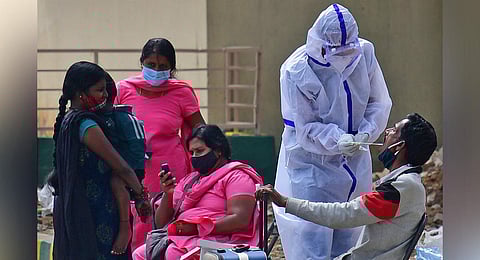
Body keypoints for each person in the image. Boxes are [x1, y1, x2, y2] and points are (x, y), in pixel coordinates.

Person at [274, 3, 392, 259]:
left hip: (354, 163)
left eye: (349, 51)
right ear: (321, 45)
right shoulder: (296, 70)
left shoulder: (365, 53)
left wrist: (365, 133)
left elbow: (379, 102)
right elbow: (304, 128)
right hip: (312, 167)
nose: (345, 57)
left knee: (351, 237)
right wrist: (337, 139)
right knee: (313, 239)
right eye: (337, 52)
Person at [260, 113, 437, 260]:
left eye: (394, 131)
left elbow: (343, 215)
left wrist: (286, 202)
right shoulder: (408, 184)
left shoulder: (398, 190)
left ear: (399, 146)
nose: (387, 132)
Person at [48, 61, 147, 259]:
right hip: (96, 211)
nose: (104, 95)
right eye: (99, 90)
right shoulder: (86, 125)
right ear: (80, 93)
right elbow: (121, 167)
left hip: (83, 207)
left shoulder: (71, 119)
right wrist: (141, 195)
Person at [115, 38, 206, 250]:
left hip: (171, 172)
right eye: (151, 65)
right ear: (142, 63)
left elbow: (200, 130)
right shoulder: (123, 90)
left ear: (171, 68)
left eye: (163, 66)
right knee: (139, 225)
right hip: (136, 172)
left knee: (170, 226)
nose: (156, 70)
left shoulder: (182, 92)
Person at [132, 124, 263, 260]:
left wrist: (199, 228)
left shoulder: (236, 176)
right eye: (192, 153)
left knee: (174, 253)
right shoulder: (190, 180)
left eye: (200, 151)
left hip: (221, 241)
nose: (195, 157)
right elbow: (160, 224)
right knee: (140, 254)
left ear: (218, 150)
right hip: (184, 238)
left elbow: (240, 220)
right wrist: (168, 193)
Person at [99, 72, 153, 255]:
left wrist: (135, 175)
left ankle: (125, 228)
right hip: (117, 165)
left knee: (117, 183)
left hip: (128, 166)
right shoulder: (100, 118)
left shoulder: (122, 118)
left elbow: (137, 144)